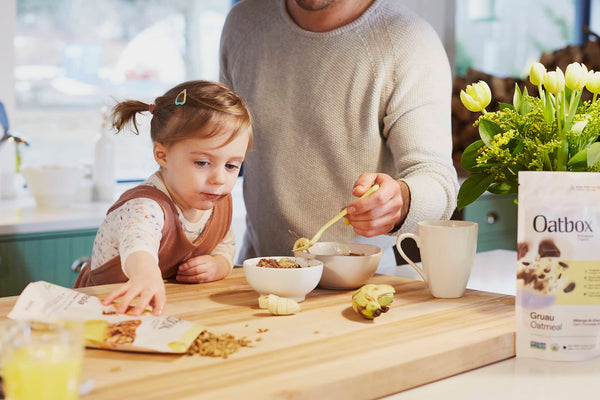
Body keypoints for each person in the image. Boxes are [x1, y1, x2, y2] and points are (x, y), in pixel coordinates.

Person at [219, 0, 459, 270]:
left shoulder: (410, 40)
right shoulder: (243, 22)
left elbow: (438, 181)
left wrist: (401, 200)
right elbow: (219, 144)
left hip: (361, 284)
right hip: (258, 272)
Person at [74, 80, 253, 316]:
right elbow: (138, 246)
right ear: (162, 155)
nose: (219, 179)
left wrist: (219, 265)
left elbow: (224, 243)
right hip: (102, 307)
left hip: (159, 308)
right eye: (202, 162)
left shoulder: (215, 201)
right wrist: (145, 274)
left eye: (231, 166)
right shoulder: (145, 206)